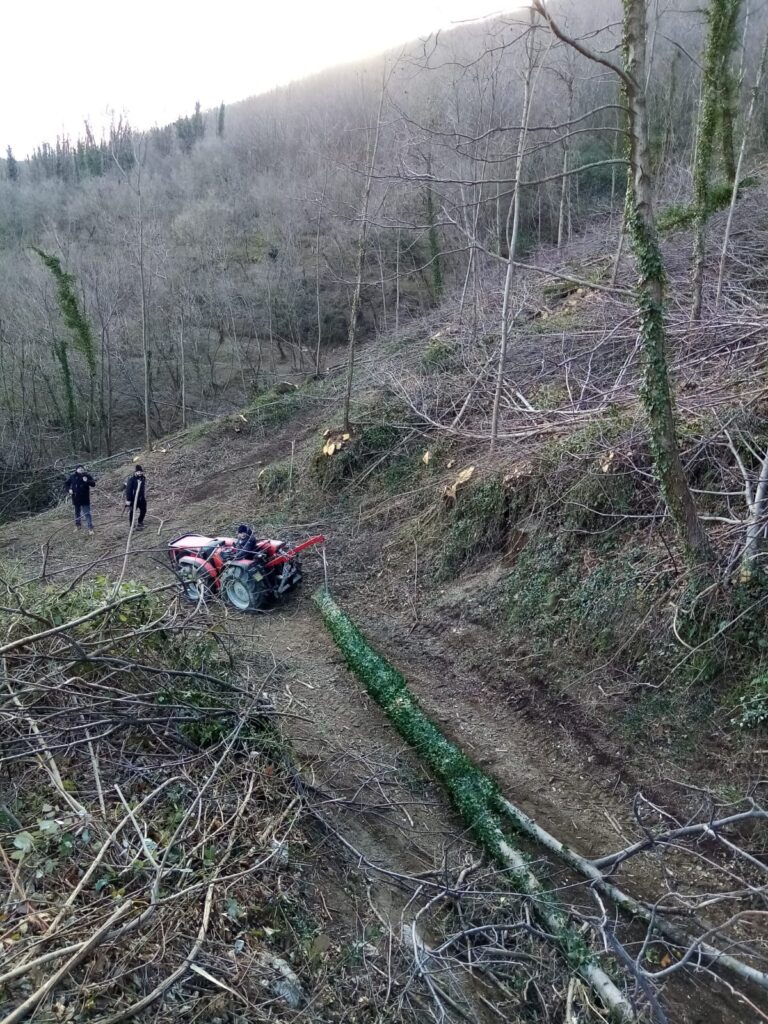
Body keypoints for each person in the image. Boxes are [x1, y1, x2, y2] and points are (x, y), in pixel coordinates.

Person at [65, 464, 96, 534]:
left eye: (82, 468)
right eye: (79, 468)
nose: (81, 469)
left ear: (83, 469)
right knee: (77, 513)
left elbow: (93, 484)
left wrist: (87, 481)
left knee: (87, 513)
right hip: (76, 498)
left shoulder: (87, 476)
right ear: (76, 470)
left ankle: (90, 528)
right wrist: (69, 490)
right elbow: (66, 484)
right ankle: (78, 525)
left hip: (85, 498)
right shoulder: (72, 477)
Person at [124, 465, 147, 530]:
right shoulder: (131, 480)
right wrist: (128, 500)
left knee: (144, 510)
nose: (140, 473)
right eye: (138, 472)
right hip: (133, 499)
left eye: (141, 472)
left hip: (141, 498)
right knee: (132, 512)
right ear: (136, 472)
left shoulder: (143, 478)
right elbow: (128, 490)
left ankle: (140, 522)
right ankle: (132, 525)